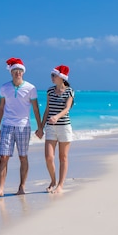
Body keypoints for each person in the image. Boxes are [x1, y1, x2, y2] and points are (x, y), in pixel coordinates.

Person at [0, 58, 43, 196]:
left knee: (23, 157)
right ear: (11, 72)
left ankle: (22, 187)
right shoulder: (4, 88)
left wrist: (40, 127)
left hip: (23, 126)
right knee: (4, 157)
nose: (18, 73)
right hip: (7, 125)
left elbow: (36, 109)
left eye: (20, 71)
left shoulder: (30, 88)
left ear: (23, 72)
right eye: (15, 71)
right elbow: (1, 108)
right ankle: (1, 188)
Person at [41, 65, 75, 194]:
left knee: (63, 157)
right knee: (49, 157)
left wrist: (57, 116)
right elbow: (47, 109)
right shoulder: (50, 91)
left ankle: (60, 185)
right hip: (50, 128)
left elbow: (67, 108)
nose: (52, 78)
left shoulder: (69, 91)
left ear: (61, 77)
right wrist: (41, 127)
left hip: (64, 128)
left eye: (53, 75)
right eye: (51, 75)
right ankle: (53, 181)